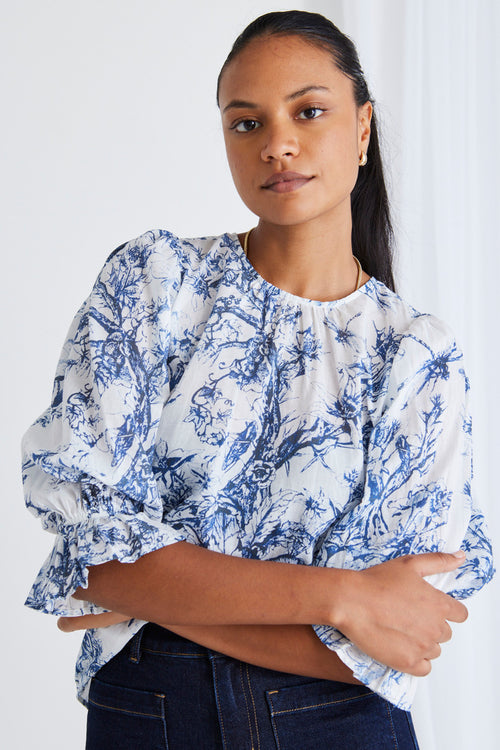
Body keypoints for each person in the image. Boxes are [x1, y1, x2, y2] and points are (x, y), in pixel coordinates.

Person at [22, 10, 493, 750]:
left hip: (340, 725)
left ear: (362, 129)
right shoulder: (155, 283)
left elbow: (401, 639)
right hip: (151, 711)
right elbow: (90, 533)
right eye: (246, 124)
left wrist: (151, 588)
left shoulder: (415, 354)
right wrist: (339, 595)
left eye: (309, 111)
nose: (277, 144)